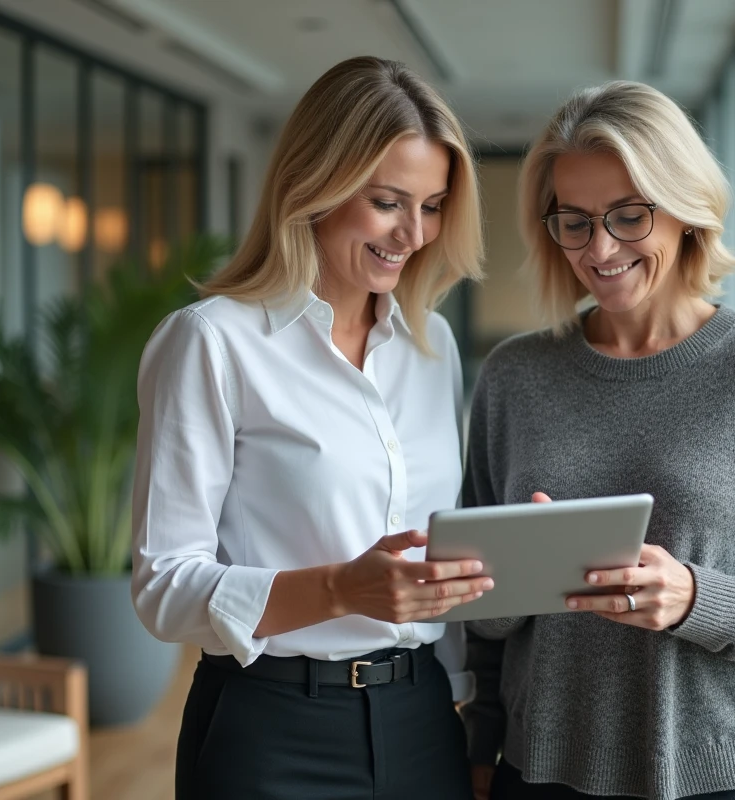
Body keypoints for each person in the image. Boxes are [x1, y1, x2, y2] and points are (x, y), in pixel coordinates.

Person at [461, 81, 735, 800]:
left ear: (683, 210)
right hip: (542, 770)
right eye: (573, 221)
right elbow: (482, 623)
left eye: (628, 216)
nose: (599, 248)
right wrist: (520, 580)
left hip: (727, 777)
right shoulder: (514, 375)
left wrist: (694, 598)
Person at [131, 56, 491, 799]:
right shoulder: (212, 342)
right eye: (388, 201)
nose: (413, 234)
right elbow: (163, 586)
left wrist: (466, 703)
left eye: (432, 206)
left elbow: (435, 544)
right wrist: (341, 589)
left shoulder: (433, 346)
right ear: (315, 185)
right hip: (272, 728)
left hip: (423, 715)